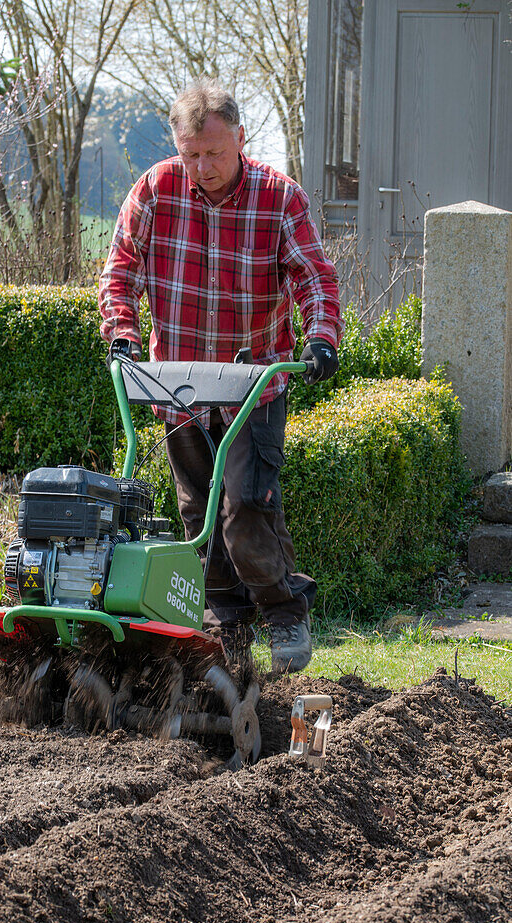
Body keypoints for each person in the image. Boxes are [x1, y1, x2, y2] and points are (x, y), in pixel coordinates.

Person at [98, 78, 343, 673]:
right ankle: (224, 629)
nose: (202, 167)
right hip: (175, 383)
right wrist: (124, 334)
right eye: (191, 154)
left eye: (213, 153)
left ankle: (285, 613)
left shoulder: (277, 197)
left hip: (252, 383)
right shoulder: (155, 189)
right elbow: (118, 273)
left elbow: (314, 276)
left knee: (244, 510)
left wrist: (320, 336)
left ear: (240, 138)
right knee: (196, 515)